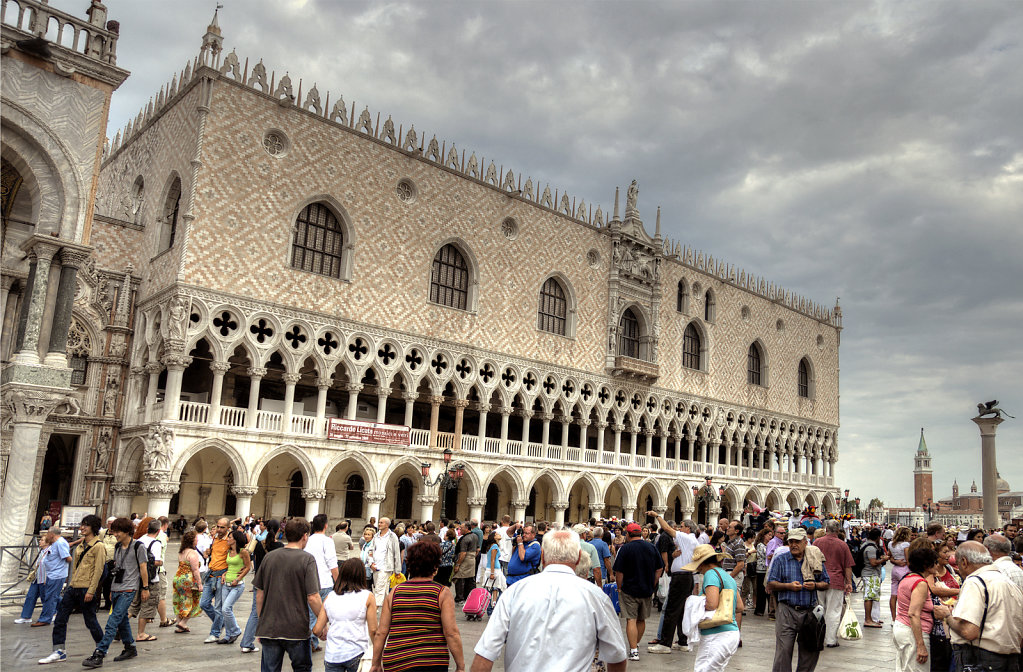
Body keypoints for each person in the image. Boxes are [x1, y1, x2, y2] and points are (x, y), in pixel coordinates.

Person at [470, 529, 627, 672]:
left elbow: (485, 653)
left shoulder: (514, 593)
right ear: (579, 557)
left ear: (543, 556)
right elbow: (617, 656)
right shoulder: (596, 597)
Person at [370, 541, 465, 672]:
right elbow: (451, 633)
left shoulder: (395, 592)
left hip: (397, 660)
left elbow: (381, 632)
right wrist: (460, 666)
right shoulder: (442, 593)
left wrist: (375, 664)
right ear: (435, 566)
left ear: (410, 565)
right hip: (430, 661)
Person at [254, 517, 323, 672]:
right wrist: (323, 621)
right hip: (296, 629)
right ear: (305, 536)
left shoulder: (269, 557)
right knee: (302, 668)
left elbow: (260, 595)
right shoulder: (307, 559)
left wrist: (261, 622)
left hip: (270, 627)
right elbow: (313, 597)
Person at [82, 517, 151, 668]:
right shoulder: (119, 547)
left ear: (127, 531)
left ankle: (99, 653)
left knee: (113, 620)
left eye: (118, 531)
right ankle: (130, 648)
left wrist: (145, 588)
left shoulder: (138, 546)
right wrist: (112, 589)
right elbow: (116, 569)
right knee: (121, 620)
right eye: (114, 531)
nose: (115, 534)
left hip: (129, 588)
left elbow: (143, 568)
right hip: (117, 588)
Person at [38, 516, 107, 664]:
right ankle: (59, 651)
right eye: (82, 525)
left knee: (90, 621)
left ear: (93, 527)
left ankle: (102, 647)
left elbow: (98, 570)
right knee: (60, 619)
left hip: (86, 588)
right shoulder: (82, 544)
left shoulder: (99, 546)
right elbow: (75, 567)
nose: (82, 528)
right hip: (73, 587)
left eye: (86, 526)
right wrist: (70, 584)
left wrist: (91, 590)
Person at [948, 540, 1023, 671]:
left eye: (958, 565)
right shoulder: (1008, 583)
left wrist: (946, 616)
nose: (958, 570)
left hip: (980, 658)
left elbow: (969, 632)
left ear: (964, 562)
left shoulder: (976, 581)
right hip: (1010, 659)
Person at [766, 527, 830, 672]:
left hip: (809, 612)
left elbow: (826, 582)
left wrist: (814, 585)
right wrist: (788, 586)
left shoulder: (814, 558)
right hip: (787, 611)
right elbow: (771, 584)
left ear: (805, 542)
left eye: (797, 542)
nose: (794, 545)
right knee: (783, 651)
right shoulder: (781, 560)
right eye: (791, 542)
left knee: (810, 652)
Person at [682, 544, 744, 672]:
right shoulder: (727, 576)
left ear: (703, 563)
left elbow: (711, 604)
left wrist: (693, 602)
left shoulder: (710, 574)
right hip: (731, 634)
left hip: (717, 635)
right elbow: (739, 607)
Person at [892, 544, 951, 672]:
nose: (937, 565)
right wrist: (921, 645)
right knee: (918, 668)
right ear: (926, 565)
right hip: (913, 632)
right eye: (934, 562)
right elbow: (913, 614)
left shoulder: (907, 578)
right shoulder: (920, 583)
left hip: (902, 627)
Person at [646, 513, 699, 654]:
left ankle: (665, 643)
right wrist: (674, 556)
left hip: (681, 577)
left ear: (688, 528)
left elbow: (667, 529)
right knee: (681, 610)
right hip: (686, 577)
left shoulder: (687, 538)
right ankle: (683, 641)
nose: (679, 529)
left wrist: (657, 516)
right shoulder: (691, 540)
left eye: (681, 527)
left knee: (671, 609)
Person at [313, 558, 378, 672]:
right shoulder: (367, 596)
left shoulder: (330, 596)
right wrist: (377, 653)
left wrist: (323, 633)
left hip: (333, 655)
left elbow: (317, 630)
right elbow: (373, 630)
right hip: (356, 652)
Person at [612, 521, 663, 662]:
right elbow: (659, 568)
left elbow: (619, 571)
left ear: (628, 534)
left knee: (631, 619)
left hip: (629, 589)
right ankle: (636, 644)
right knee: (641, 619)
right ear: (641, 533)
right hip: (646, 589)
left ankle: (633, 651)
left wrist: (619, 587)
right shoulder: (651, 547)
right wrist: (653, 582)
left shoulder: (625, 549)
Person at [812, 519, 854, 648]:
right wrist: (848, 582)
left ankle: (817, 636)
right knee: (834, 611)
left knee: (819, 608)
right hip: (836, 581)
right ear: (838, 530)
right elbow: (848, 566)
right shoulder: (842, 545)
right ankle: (830, 640)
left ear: (826, 529)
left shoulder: (817, 542)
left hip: (819, 580)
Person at [16, 531, 67, 626]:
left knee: (48, 598)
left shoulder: (51, 551)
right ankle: (26, 616)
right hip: (37, 579)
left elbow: (53, 566)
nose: (40, 542)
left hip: (45, 579)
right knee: (30, 597)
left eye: (42, 540)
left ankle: (57, 611)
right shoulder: (42, 552)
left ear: (48, 542)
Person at [306, 514, 340, 651]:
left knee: (309, 613)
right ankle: (310, 642)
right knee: (320, 614)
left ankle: (312, 641)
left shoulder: (307, 539)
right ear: (326, 525)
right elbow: (332, 564)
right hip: (324, 582)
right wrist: (338, 582)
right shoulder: (327, 541)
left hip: (308, 580)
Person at [128, 519, 163, 643]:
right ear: (158, 531)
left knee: (133, 605)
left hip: (136, 578)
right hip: (150, 579)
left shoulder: (139, 540)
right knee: (147, 606)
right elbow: (155, 561)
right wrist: (161, 562)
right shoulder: (156, 543)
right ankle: (141, 633)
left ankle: (119, 628)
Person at [213, 529, 250, 644]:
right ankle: (229, 635)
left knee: (226, 608)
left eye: (230, 537)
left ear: (235, 540)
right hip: (226, 583)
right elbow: (229, 566)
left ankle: (235, 630)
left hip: (237, 585)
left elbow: (248, 567)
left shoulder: (243, 552)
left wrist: (238, 579)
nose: (228, 539)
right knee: (226, 610)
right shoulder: (229, 551)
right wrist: (224, 574)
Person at [201, 517, 231, 643]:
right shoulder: (214, 538)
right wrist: (208, 552)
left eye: (222, 527)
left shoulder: (230, 541)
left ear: (228, 528)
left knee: (218, 607)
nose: (219, 529)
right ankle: (220, 622)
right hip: (211, 574)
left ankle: (215, 633)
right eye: (218, 526)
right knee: (204, 603)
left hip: (221, 576)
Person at [171, 530, 204, 633]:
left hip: (178, 578)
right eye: (196, 539)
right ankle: (183, 622)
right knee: (192, 601)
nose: (197, 541)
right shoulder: (192, 553)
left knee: (179, 600)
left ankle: (180, 624)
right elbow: (195, 570)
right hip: (188, 579)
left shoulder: (182, 551)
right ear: (192, 540)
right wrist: (199, 583)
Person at [860, 527, 889, 628]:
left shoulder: (865, 544)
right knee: (869, 596)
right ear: (877, 537)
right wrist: (883, 559)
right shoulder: (871, 548)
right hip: (870, 574)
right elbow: (873, 563)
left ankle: (872, 617)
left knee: (872, 596)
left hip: (870, 574)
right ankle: (868, 619)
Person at [371, 517, 402, 608]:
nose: (379, 524)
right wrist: (371, 563)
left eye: (381, 522)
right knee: (382, 589)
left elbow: (396, 553)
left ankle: (374, 610)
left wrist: (397, 570)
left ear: (387, 525)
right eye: (379, 522)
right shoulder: (376, 536)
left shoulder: (392, 537)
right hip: (375, 566)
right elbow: (371, 550)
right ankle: (388, 609)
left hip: (386, 567)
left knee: (379, 590)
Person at [451, 522, 479, 602]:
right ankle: (470, 596)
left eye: (462, 528)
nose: (460, 530)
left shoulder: (465, 539)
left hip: (465, 559)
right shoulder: (475, 536)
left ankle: (459, 597)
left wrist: (458, 564)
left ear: (467, 528)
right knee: (470, 579)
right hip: (472, 559)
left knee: (459, 577)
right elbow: (477, 549)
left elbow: (463, 553)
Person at [889, 526, 912, 621]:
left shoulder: (891, 544)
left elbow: (889, 557)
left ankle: (893, 618)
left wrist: (896, 561)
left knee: (893, 594)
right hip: (904, 569)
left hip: (895, 569)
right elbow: (908, 560)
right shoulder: (905, 545)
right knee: (906, 594)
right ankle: (904, 616)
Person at [475, 532, 506, 599]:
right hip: (495, 568)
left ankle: (493, 603)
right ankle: (494, 603)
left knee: (494, 587)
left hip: (492, 568)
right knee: (499, 586)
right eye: (497, 534)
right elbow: (493, 560)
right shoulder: (494, 546)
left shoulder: (492, 546)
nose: (499, 534)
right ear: (494, 537)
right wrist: (492, 573)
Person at [753, 527, 773, 617]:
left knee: (768, 590)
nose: (770, 537)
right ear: (764, 535)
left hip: (768, 569)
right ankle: (759, 609)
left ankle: (770, 609)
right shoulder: (760, 545)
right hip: (761, 570)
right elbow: (765, 555)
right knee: (761, 590)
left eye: (771, 535)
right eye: (769, 535)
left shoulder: (770, 544)